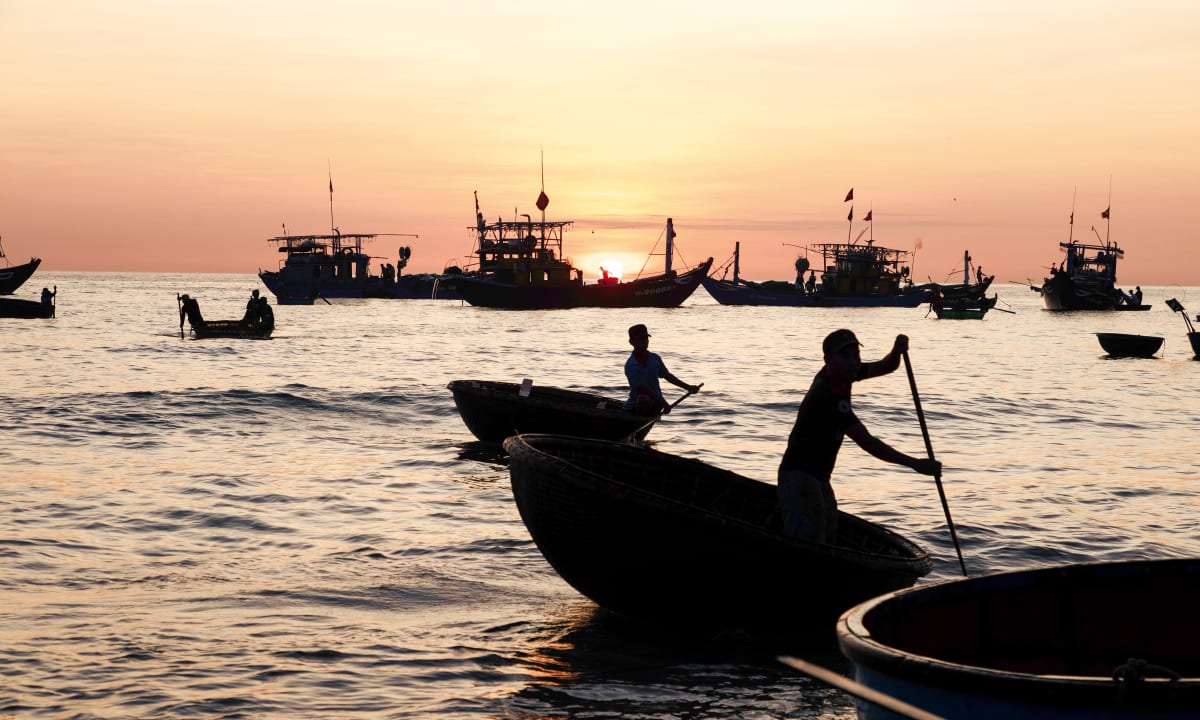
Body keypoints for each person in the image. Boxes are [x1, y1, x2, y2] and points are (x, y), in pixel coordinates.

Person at [778, 329, 941, 544]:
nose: (853, 362)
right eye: (846, 356)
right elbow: (868, 442)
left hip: (818, 476)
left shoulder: (844, 374)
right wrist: (915, 464)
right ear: (828, 360)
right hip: (800, 476)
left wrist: (897, 351)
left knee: (827, 535)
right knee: (810, 543)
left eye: (856, 355)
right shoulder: (829, 397)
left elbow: (886, 366)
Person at [623, 324, 701, 416]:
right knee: (642, 399)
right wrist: (663, 402)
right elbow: (642, 388)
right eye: (640, 339)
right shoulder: (631, 365)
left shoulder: (655, 359)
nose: (644, 341)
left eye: (645, 338)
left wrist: (688, 387)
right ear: (632, 342)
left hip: (656, 404)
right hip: (636, 405)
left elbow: (667, 376)